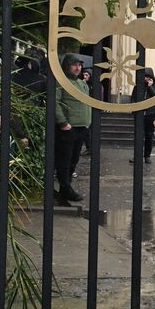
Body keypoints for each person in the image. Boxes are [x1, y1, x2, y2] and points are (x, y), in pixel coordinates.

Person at [54, 54, 91, 204]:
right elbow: (55, 102)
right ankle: (65, 187)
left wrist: (88, 122)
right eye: (74, 65)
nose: (78, 68)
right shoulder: (61, 82)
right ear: (67, 66)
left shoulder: (82, 84)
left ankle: (65, 187)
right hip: (68, 128)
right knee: (65, 159)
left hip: (82, 127)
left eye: (79, 65)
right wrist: (63, 122)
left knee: (74, 159)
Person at [132, 68, 155, 165]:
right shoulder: (138, 86)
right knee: (138, 136)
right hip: (140, 114)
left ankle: (147, 156)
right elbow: (133, 97)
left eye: (148, 77)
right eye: (145, 77)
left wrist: (150, 87)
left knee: (149, 136)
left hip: (151, 114)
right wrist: (134, 110)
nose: (146, 79)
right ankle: (137, 156)